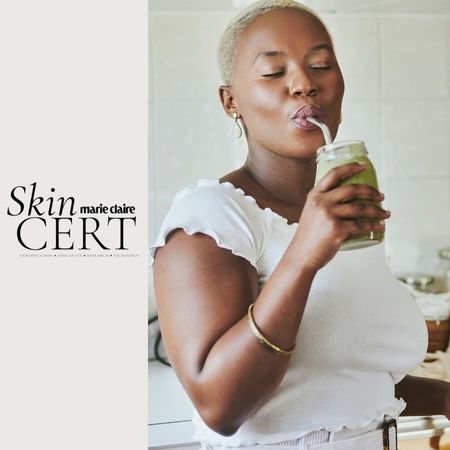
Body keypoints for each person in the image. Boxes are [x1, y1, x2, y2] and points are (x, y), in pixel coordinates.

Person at [150, 1, 450, 449]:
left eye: (321, 65)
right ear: (230, 101)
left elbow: (339, 384)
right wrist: (304, 256)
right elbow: (222, 407)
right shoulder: (211, 217)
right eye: (274, 73)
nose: (304, 84)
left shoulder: (339, 219)